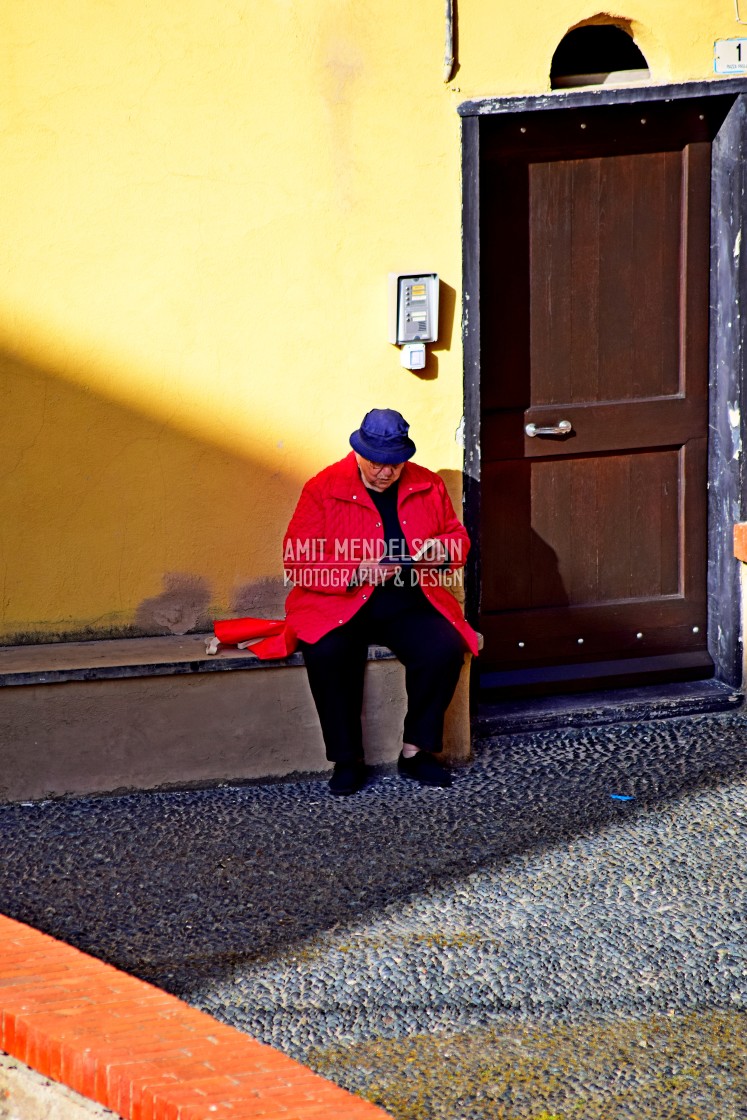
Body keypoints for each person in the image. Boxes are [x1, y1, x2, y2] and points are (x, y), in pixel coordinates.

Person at [282, 408, 479, 795]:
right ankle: (346, 759)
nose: (386, 472)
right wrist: (356, 570)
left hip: (408, 598)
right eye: (377, 464)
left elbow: (457, 538)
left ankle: (415, 751)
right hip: (341, 602)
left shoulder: (427, 484)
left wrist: (438, 551)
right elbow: (297, 559)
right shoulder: (322, 487)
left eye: (395, 464)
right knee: (326, 652)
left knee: (443, 649)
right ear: (359, 452)